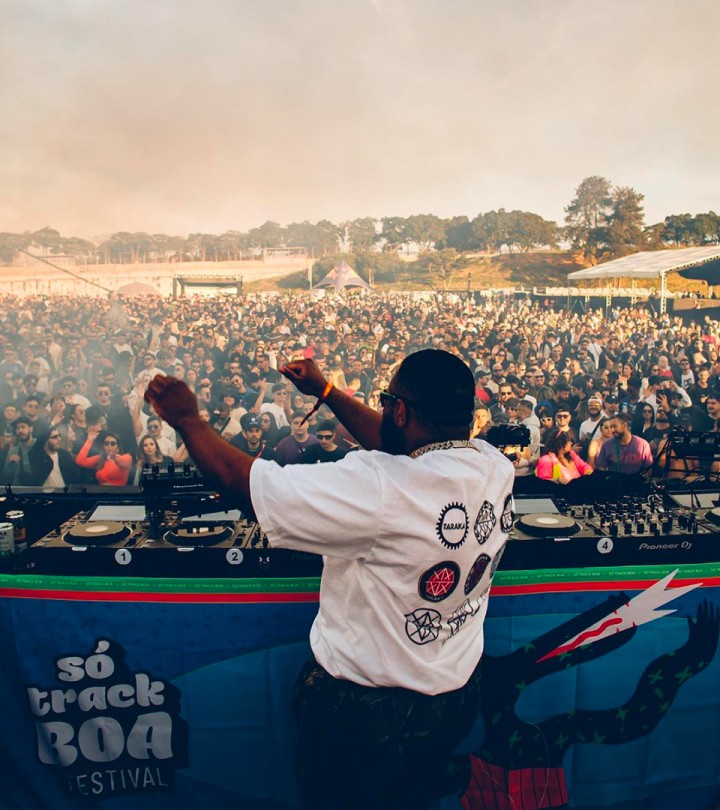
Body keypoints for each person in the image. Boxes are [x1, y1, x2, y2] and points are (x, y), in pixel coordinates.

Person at [145, 349, 514, 810]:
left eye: (386, 403)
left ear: (400, 411)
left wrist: (188, 420)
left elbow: (244, 483)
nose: (384, 411)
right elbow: (403, 445)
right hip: (453, 696)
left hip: (366, 714)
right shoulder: (493, 465)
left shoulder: (381, 487)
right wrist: (326, 391)